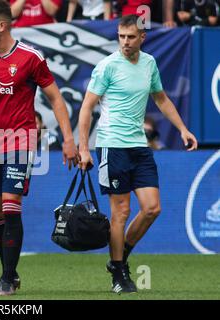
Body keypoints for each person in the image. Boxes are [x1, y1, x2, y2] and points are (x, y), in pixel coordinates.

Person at [0, 0, 79, 296]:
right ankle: (12, 270)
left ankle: (6, 278)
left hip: (19, 140)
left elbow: (57, 99)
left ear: (1, 25)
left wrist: (69, 140)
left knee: (10, 203)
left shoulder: (30, 57)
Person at [78, 14, 198, 294]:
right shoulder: (107, 66)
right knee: (121, 211)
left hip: (139, 147)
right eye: (121, 36)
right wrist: (84, 147)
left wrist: (182, 129)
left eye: (131, 37)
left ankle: (118, 260)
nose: (125, 42)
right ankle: (119, 272)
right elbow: (86, 107)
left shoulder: (149, 63)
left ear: (142, 37)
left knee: (152, 208)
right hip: (112, 145)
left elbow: (160, 98)